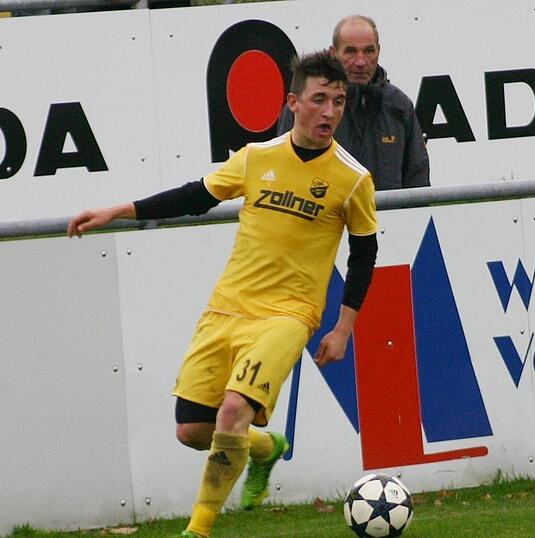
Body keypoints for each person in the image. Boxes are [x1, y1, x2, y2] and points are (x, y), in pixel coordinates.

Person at [67, 51, 378, 538]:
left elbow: (364, 253)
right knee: (192, 431)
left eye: (338, 102)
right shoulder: (256, 158)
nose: (330, 112)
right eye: (319, 100)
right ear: (293, 102)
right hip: (228, 307)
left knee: (234, 409)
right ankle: (265, 448)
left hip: (289, 315)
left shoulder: (352, 178)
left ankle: (199, 529)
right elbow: (195, 196)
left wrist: (343, 328)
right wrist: (117, 211)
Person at [277, 14, 430, 191]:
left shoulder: (399, 105)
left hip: (387, 218)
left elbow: (417, 180)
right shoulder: (306, 105)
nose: (360, 61)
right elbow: (284, 173)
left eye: (368, 51)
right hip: (325, 218)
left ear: (378, 51)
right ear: (334, 53)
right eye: (350, 51)